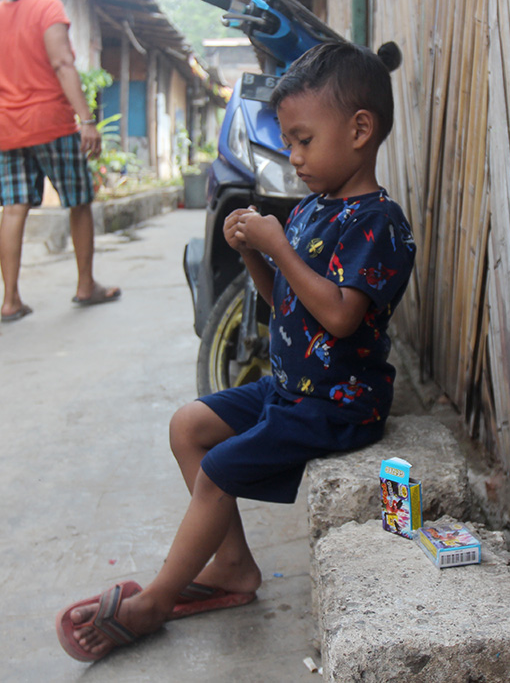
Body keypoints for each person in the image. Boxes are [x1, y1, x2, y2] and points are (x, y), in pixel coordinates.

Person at [54, 41, 416, 662]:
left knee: (220, 469)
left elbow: (339, 314)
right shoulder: (309, 210)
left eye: (302, 140)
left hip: (335, 403)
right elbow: (285, 304)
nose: (293, 157)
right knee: (189, 426)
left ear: (360, 130)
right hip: (289, 390)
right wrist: (255, 253)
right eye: (289, 142)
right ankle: (232, 566)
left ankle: (156, 602)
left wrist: (278, 245)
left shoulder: (376, 221)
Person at [0, 0, 120, 323]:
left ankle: (10, 300)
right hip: (50, 122)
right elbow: (62, 63)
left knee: (14, 209)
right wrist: (86, 120)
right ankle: (85, 284)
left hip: (5, 125)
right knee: (78, 201)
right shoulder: (48, 7)